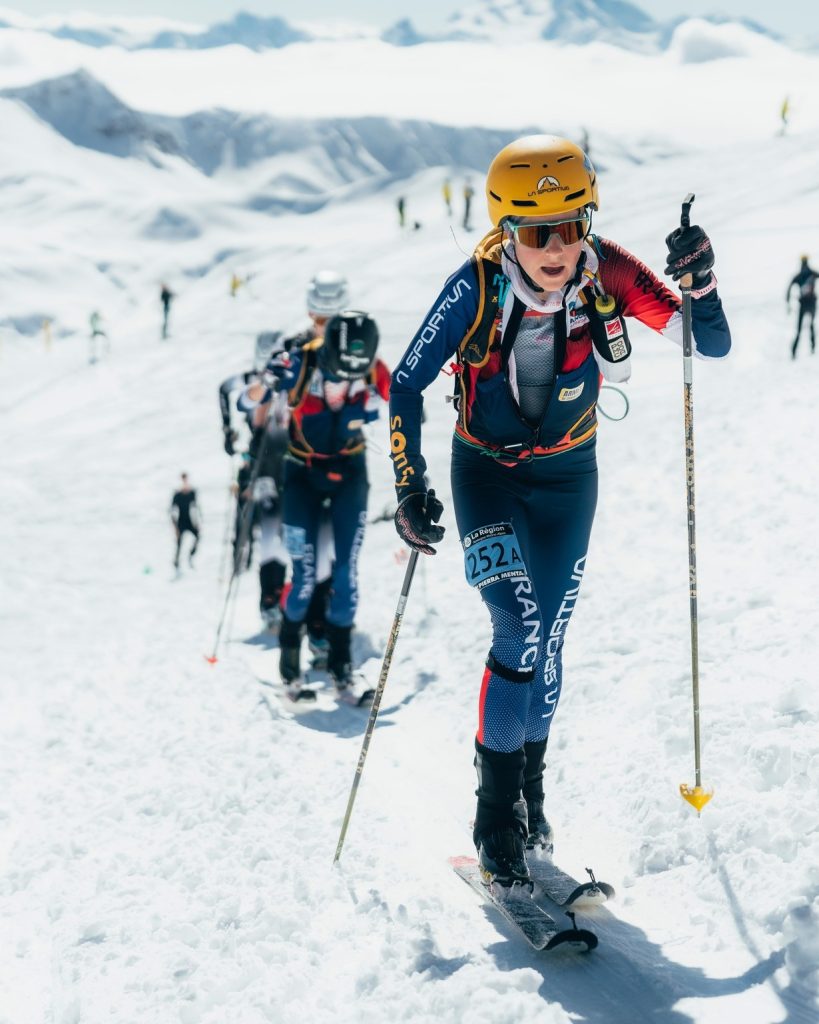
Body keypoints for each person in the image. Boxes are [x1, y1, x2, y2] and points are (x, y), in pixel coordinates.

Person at [389, 135, 731, 884]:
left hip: (570, 477)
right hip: (484, 475)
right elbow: (406, 383)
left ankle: (528, 800)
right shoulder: (474, 287)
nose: (556, 247)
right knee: (516, 625)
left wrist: (700, 285)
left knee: (549, 643)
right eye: (537, 232)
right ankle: (493, 825)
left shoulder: (605, 269)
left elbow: (706, 345)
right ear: (508, 231)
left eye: (570, 226)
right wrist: (408, 484)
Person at [240, 310, 391, 700]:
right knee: (304, 577)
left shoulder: (375, 370)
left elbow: (404, 402)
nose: (344, 379)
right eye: (338, 371)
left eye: (352, 374)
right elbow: (246, 401)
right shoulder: (299, 362)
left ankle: (341, 666)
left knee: (346, 576)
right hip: (302, 475)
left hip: (350, 473)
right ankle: (290, 667)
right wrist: (265, 380)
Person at [786, 255, 817, 359]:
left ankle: (794, 352)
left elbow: (789, 288)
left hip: (803, 305)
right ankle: (812, 348)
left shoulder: (799, 276)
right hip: (811, 304)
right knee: (811, 326)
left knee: (799, 329)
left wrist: (788, 303)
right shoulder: (812, 273)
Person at [170, 473, 201, 570]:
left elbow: (196, 508)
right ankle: (176, 561)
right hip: (180, 521)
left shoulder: (192, 493)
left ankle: (191, 554)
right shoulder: (177, 495)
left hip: (190, 521)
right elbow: (172, 511)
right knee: (179, 543)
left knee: (197, 536)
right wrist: (175, 527)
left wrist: (197, 522)